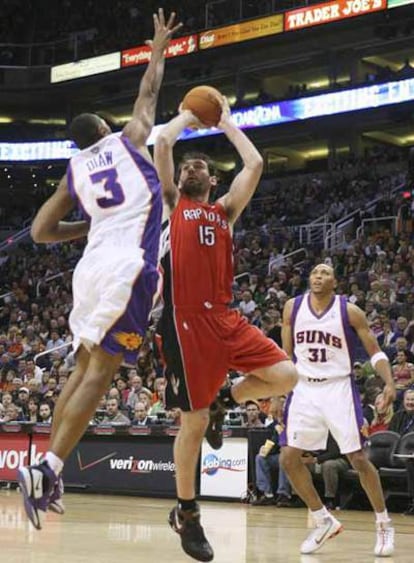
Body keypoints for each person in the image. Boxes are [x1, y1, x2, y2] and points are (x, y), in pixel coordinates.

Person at [17, 9, 182, 531]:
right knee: (103, 372)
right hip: (128, 266)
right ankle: (49, 468)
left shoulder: (73, 171)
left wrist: (83, 230)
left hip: (88, 272)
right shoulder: (128, 138)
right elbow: (149, 93)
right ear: (105, 131)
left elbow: (41, 231)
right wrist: (157, 49)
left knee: (83, 367)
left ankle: (45, 463)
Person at [154, 98, 298, 562]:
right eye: (187, 165)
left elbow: (254, 162)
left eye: (201, 165)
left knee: (286, 375)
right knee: (191, 422)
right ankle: (186, 512)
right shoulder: (171, 204)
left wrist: (228, 123)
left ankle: (225, 399)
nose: (192, 166)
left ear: (213, 180)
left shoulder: (225, 210)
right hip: (184, 320)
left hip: (224, 317)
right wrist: (188, 118)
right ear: (178, 180)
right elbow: (162, 141)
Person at [280, 263, 396, 557]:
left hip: (338, 388)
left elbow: (376, 352)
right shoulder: (292, 308)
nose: (318, 277)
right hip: (304, 387)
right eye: (315, 273)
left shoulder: (349, 311)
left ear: (335, 282)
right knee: (289, 457)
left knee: (357, 457)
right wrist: (280, 390)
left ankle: (383, 522)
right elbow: (285, 356)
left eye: (325, 273)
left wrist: (389, 384)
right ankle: (322, 520)